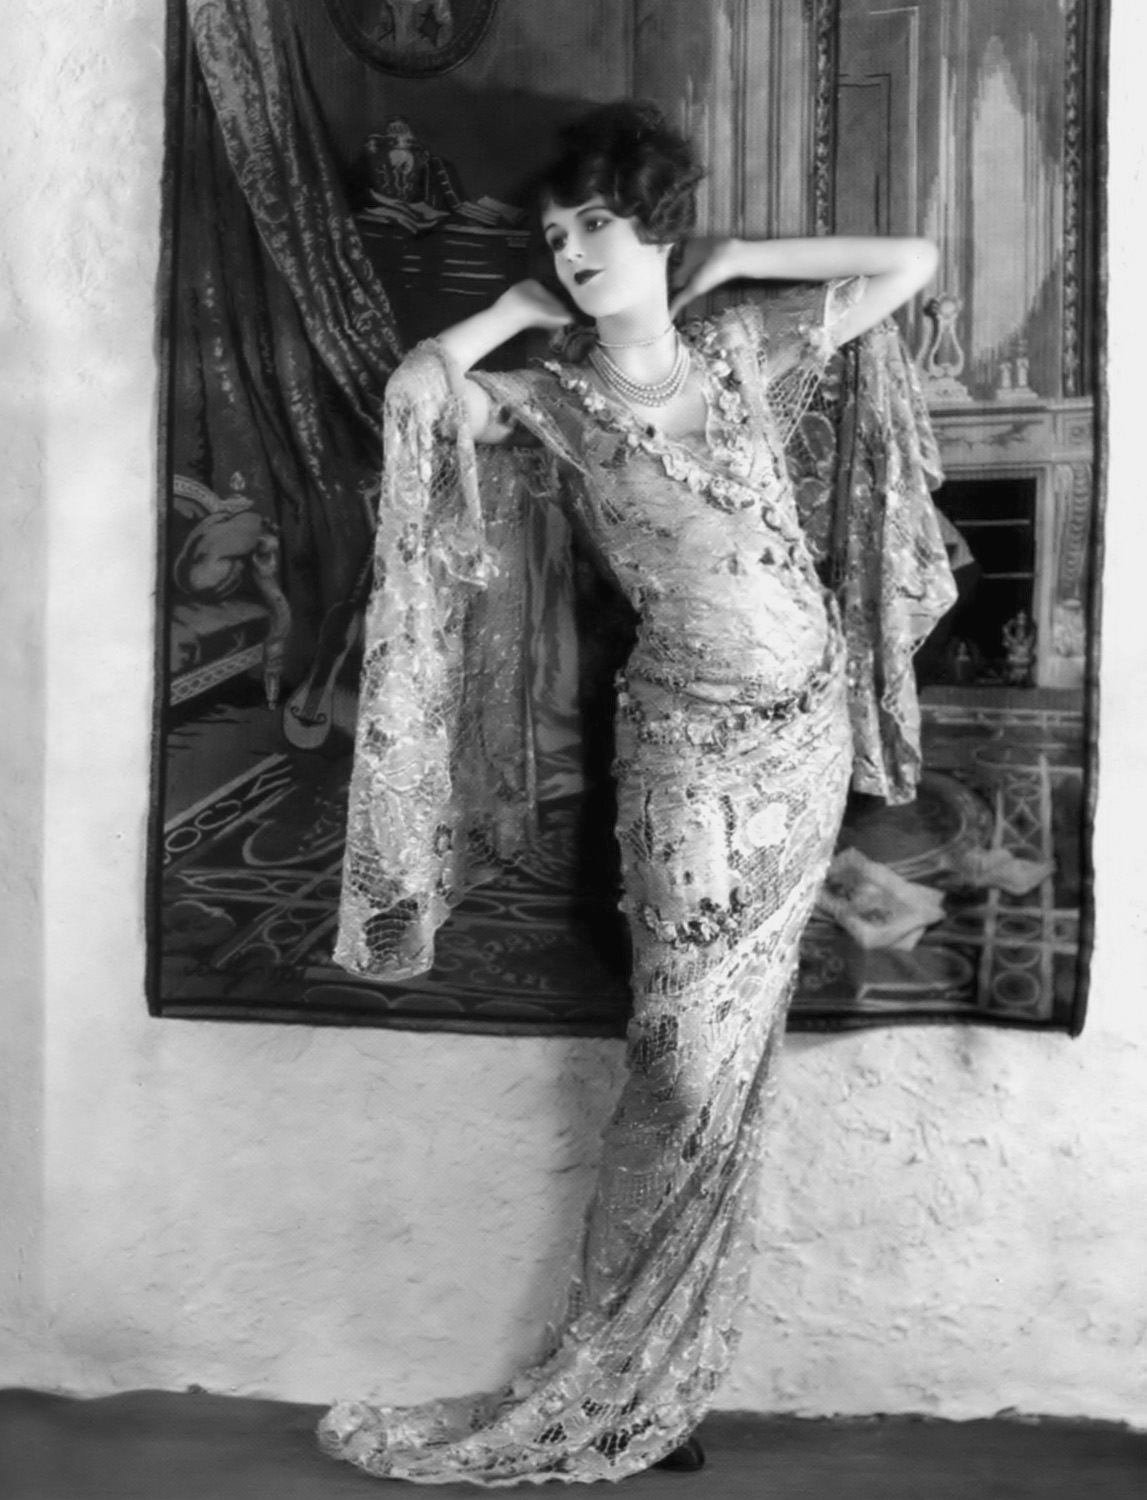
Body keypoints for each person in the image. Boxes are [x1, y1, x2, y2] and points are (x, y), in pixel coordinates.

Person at [321, 102, 952, 1485]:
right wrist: (507, 308)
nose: (574, 249)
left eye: (596, 222)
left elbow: (909, 261)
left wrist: (739, 259)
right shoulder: (555, 401)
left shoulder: (745, 347)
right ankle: (612, 1375)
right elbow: (418, 400)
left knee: (740, 1060)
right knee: (676, 1059)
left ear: (656, 225)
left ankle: (663, 1378)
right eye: (557, 235)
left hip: (805, 745)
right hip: (686, 756)